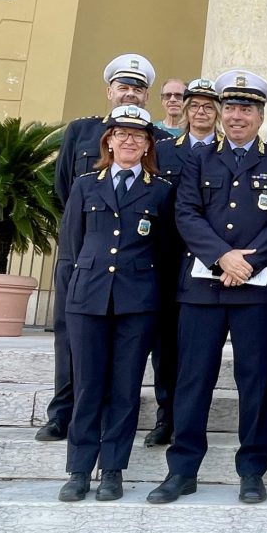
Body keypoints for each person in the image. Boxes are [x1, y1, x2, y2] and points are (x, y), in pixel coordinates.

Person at [147, 69, 267, 505]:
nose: (236, 116)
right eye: (230, 107)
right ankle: (182, 470)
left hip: (255, 289)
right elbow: (186, 213)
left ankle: (252, 470)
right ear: (220, 112)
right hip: (202, 289)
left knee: (256, 381)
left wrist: (245, 263)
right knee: (193, 379)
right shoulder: (199, 157)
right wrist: (222, 257)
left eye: (246, 109)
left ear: (260, 116)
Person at [38, 54, 168, 443]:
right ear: (109, 91)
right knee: (70, 334)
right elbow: (66, 186)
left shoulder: (156, 138)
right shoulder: (81, 131)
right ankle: (63, 412)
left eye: (138, 89)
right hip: (81, 251)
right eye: (123, 87)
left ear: (147, 97)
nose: (130, 94)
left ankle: (111, 418)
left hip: (130, 260)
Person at [57, 105, 174, 502]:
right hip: (88, 298)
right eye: (121, 134)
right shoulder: (85, 185)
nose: (129, 141)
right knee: (88, 387)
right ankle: (78, 470)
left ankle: (112, 470)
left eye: (138, 136)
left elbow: (165, 252)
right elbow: (72, 245)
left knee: (125, 389)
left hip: (137, 301)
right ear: (108, 141)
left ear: (148, 146)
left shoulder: (161, 191)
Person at [145, 78, 222, 447]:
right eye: (195, 106)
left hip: (208, 262)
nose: (201, 112)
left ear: (217, 113)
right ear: (185, 111)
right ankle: (166, 416)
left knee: (198, 347)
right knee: (166, 344)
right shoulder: (163, 151)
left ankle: (191, 418)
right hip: (168, 259)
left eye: (208, 107)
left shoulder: (227, 152)